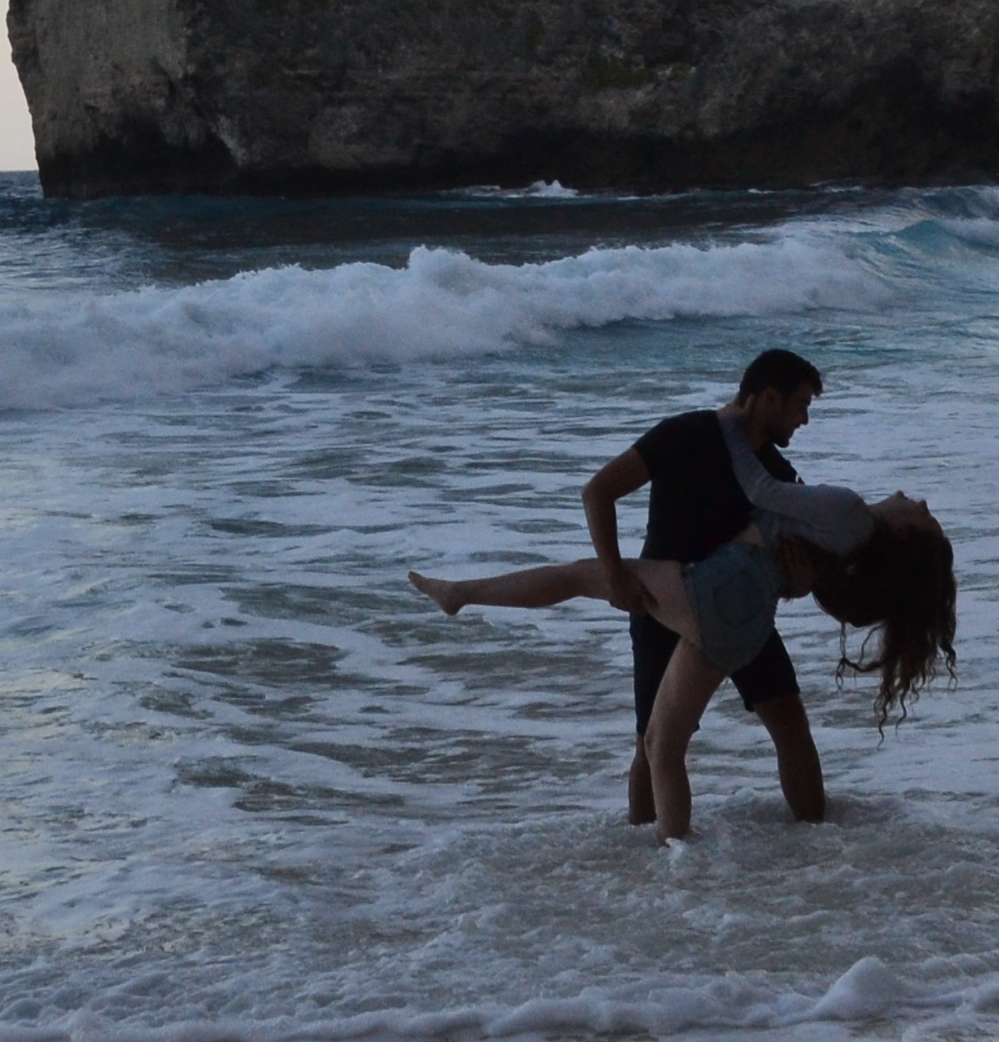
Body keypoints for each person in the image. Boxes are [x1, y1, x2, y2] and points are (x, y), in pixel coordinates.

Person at [404, 350, 955, 834]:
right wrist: (617, 574)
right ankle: (653, 850)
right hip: (672, 603)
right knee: (655, 749)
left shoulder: (775, 468)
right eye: (801, 405)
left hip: (728, 600)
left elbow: (799, 563)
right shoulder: (689, 432)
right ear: (768, 397)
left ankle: (792, 840)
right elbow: (598, 490)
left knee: (772, 724)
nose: (805, 419)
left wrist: (797, 582)